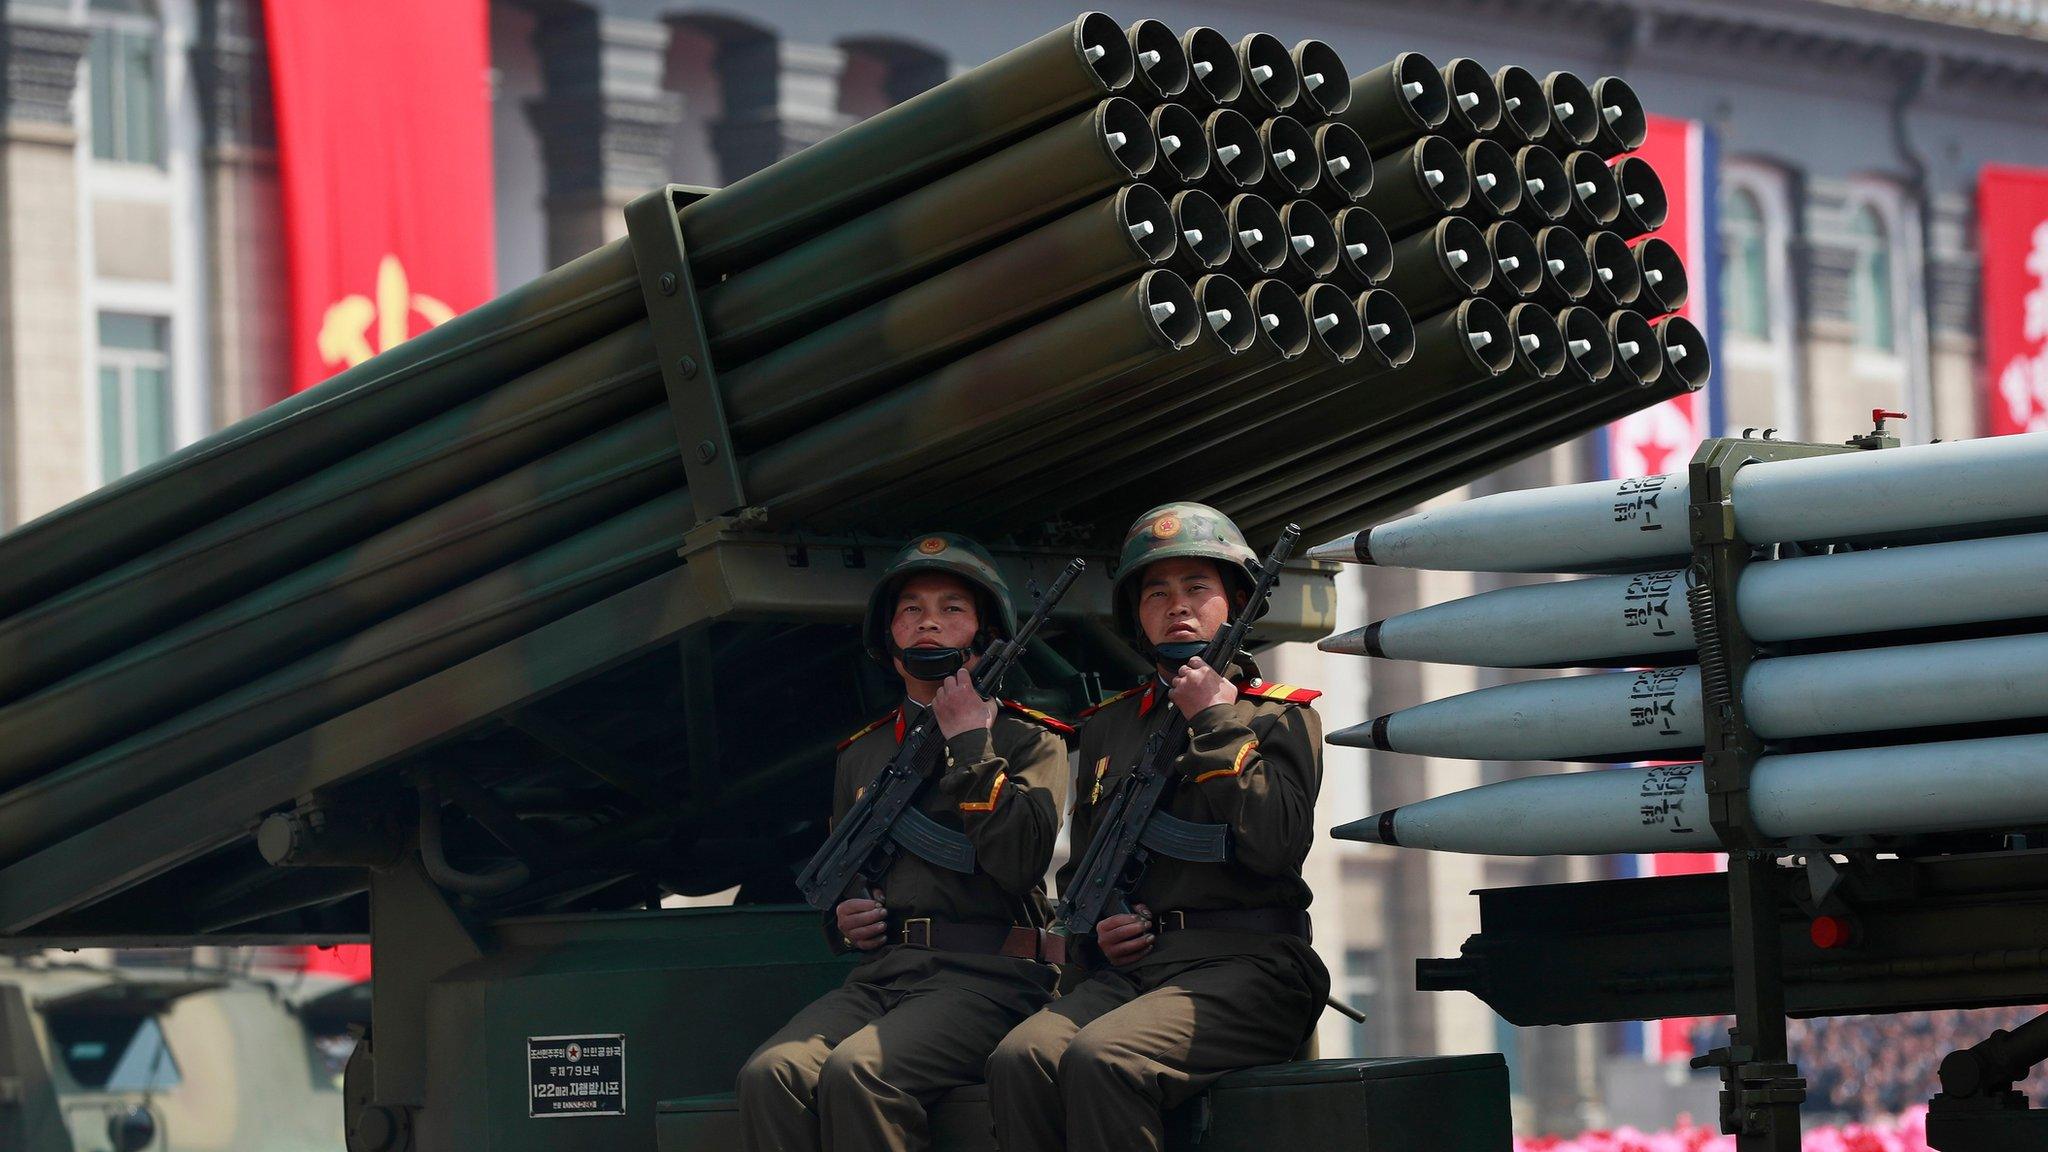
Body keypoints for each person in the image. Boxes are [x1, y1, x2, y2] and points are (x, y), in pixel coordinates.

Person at [985, 503, 1328, 1152]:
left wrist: (1214, 721)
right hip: (1138, 973)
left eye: (1198, 588)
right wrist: (1100, 932)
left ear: (1234, 603)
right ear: (1136, 617)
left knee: (1104, 1059)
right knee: (1021, 1058)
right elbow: (1085, 869)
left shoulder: (1275, 718)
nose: (1178, 606)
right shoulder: (1111, 725)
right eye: (1157, 593)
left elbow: (1277, 844)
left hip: (1251, 967)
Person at [735, 533, 1072, 1152]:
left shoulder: (1031, 743)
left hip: (990, 976)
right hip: (883, 977)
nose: (929, 624)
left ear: (985, 636)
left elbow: (1020, 862)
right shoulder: (861, 754)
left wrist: (971, 743)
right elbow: (844, 874)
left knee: (860, 1074)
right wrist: (847, 918)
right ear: (888, 644)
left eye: (952, 610)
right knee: (771, 1074)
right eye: (911, 610)